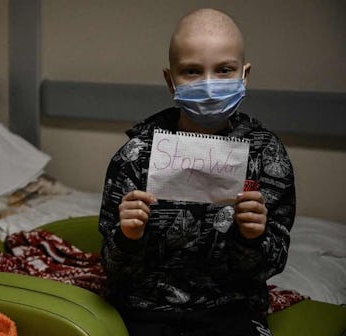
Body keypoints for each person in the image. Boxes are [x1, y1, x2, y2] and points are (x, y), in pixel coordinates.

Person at [99, 8, 295, 336]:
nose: (208, 86)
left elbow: (270, 266)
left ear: (244, 75)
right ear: (169, 80)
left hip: (231, 309)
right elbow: (113, 268)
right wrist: (127, 237)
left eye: (224, 70)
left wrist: (253, 236)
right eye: (191, 71)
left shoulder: (266, 155)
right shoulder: (135, 155)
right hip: (144, 309)